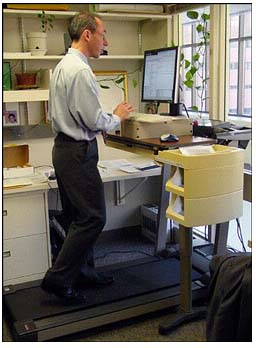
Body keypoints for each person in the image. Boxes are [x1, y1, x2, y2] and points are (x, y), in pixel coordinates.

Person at [41, 12, 134, 303]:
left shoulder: (64, 66)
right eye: (103, 34)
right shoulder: (80, 71)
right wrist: (116, 117)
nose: (106, 41)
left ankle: (83, 272)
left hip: (65, 149)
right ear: (87, 35)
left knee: (76, 218)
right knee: (93, 218)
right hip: (77, 151)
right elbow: (94, 120)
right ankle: (59, 278)